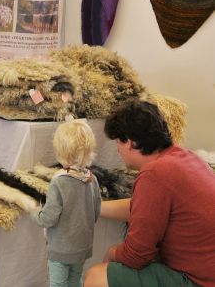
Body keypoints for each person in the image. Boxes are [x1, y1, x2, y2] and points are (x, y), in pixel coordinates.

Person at [84, 99, 215, 287]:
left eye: (117, 142)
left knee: (96, 277)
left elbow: (136, 255)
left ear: (129, 142)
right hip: (207, 272)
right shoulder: (181, 156)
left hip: (200, 281)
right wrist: (93, 206)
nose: (118, 149)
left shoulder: (155, 174)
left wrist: (112, 253)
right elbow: (143, 209)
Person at [31, 119, 101, 287]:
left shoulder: (59, 182)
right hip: (82, 246)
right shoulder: (92, 179)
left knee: (58, 284)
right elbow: (96, 213)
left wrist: (34, 211)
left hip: (61, 250)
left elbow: (48, 218)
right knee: (75, 281)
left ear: (60, 151)